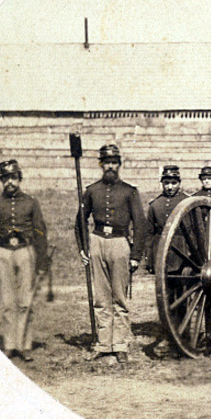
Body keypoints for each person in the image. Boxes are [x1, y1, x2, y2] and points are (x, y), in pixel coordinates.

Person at [75, 144, 146, 364]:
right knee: (101, 297)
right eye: (107, 163)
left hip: (119, 243)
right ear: (101, 164)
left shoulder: (129, 191)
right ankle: (104, 344)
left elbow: (140, 225)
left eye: (114, 163)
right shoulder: (92, 190)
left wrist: (135, 255)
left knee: (119, 297)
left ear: (119, 164)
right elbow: (79, 221)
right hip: (97, 242)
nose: (110, 167)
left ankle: (120, 345)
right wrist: (83, 248)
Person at [0, 160, 48, 362]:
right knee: (8, 302)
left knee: (25, 302)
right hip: (3, 252)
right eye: (6, 178)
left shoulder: (31, 202)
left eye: (13, 177)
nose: (10, 182)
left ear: (19, 178)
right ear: (1, 181)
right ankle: (10, 345)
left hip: (25, 252)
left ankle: (25, 345)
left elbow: (40, 234)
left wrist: (42, 264)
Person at [145, 165, 190, 273]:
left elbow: (194, 231)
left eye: (174, 183)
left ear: (179, 183)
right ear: (162, 184)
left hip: (181, 250)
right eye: (166, 183)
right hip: (160, 249)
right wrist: (149, 257)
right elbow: (150, 233)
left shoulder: (188, 202)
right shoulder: (155, 204)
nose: (170, 187)